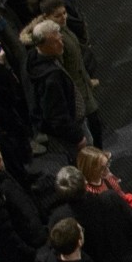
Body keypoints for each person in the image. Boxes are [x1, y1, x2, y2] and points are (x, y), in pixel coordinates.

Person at [24, 17, 86, 162]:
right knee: (85, 162)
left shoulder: (35, 58)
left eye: (60, 39)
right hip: (71, 130)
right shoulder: (51, 79)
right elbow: (57, 117)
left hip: (70, 124)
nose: (61, 44)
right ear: (43, 45)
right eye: (55, 42)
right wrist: (77, 137)